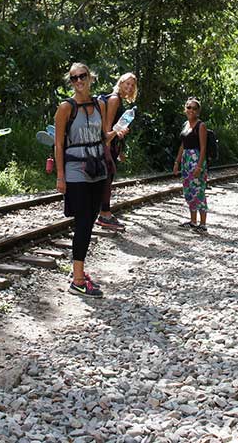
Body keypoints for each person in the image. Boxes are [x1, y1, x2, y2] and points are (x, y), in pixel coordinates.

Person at [54, 63, 108, 298]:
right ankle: (77, 279)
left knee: (90, 219)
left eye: (82, 76)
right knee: (84, 222)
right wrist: (60, 176)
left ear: (90, 78)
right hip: (76, 171)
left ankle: (79, 271)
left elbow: (103, 136)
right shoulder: (66, 108)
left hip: (98, 169)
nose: (78, 81)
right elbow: (58, 144)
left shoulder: (100, 104)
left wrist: (117, 133)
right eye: (74, 78)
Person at [97, 72, 138, 232]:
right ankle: (104, 215)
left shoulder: (119, 100)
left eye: (132, 85)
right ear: (120, 83)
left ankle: (103, 213)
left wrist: (119, 138)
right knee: (107, 180)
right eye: (126, 83)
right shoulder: (114, 99)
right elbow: (107, 129)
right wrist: (108, 146)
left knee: (107, 180)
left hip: (113, 145)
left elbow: (115, 128)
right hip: (107, 145)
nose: (129, 87)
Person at [174, 97, 209, 233]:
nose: (191, 110)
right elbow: (183, 144)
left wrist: (199, 166)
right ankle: (193, 221)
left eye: (194, 108)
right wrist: (177, 162)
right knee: (188, 190)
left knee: (198, 190)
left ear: (198, 111)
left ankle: (203, 224)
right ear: (185, 109)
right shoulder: (185, 125)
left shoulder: (201, 126)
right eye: (189, 107)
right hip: (186, 160)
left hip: (196, 160)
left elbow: (203, 147)